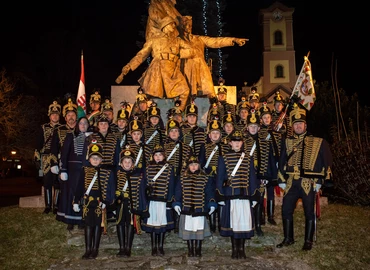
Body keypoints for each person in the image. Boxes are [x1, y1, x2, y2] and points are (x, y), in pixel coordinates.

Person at [276, 103, 332, 251]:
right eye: (296, 124)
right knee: (286, 209)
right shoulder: (287, 142)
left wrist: (320, 181)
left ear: (305, 125)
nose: (298, 127)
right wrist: (281, 179)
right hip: (291, 182)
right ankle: (288, 238)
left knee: (309, 211)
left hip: (308, 182)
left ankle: (308, 241)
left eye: (301, 124)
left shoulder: (317, 142)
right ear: (292, 126)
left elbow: (324, 161)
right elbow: (281, 161)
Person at [116, 16, 192, 111]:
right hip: (157, 68)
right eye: (171, 23)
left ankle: (178, 113)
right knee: (146, 94)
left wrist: (179, 55)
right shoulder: (154, 40)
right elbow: (141, 55)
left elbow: (190, 49)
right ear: (165, 25)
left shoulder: (177, 40)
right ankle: (136, 114)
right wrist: (129, 66)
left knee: (185, 90)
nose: (174, 26)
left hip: (172, 69)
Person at [180, 16, 248, 98]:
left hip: (200, 66)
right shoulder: (178, 40)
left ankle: (212, 99)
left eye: (190, 25)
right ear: (181, 26)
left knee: (208, 86)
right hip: (186, 66)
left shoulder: (199, 39)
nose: (188, 27)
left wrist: (233, 40)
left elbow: (215, 41)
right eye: (186, 25)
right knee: (186, 90)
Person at [216, 130, 259, 259]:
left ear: (242, 143)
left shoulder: (248, 158)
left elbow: (252, 178)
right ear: (230, 143)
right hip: (231, 195)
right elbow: (219, 178)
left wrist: (254, 195)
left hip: (245, 195)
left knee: (244, 223)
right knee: (234, 224)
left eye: (239, 141)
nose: (236, 143)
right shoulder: (223, 158)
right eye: (234, 141)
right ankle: (235, 249)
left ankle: (242, 248)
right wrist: (220, 195)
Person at [72, 140, 115, 259]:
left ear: (102, 160)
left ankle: (95, 249)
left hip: (99, 203)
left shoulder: (107, 172)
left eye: (98, 158)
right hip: (87, 203)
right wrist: (76, 201)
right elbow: (79, 186)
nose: (95, 160)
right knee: (87, 225)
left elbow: (111, 188)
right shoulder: (84, 170)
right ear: (89, 158)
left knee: (97, 225)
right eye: (93, 157)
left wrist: (107, 202)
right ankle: (88, 249)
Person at [173, 155, 217, 257]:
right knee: (188, 230)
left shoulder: (205, 178)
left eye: (196, 165)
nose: (193, 167)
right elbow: (178, 192)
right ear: (188, 166)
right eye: (191, 165)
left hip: (199, 208)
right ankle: (190, 250)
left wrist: (211, 204)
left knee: (198, 230)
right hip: (187, 208)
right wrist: (176, 203)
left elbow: (209, 193)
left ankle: (198, 249)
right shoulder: (182, 178)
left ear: (199, 166)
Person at [141, 144, 176, 256]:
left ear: (164, 156)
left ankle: (160, 246)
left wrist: (169, 200)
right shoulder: (147, 168)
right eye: (156, 155)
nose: (158, 157)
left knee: (161, 225)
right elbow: (144, 184)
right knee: (152, 225)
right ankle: (153, 247)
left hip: (163, 201)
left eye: (160, 155)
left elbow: (171, 185)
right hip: (151, 201)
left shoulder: (169, 168)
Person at [59, 116, 92, 230]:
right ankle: (70, 219)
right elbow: (64, 153)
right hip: (72, 170)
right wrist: (63, 169)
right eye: (81, 123)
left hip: (86, 170)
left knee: (84, 194)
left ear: (88, 125)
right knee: (71, 193)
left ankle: (82, 219)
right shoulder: (71, 136)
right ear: (78, 125)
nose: (83, 125)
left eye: (85, 123)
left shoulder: (92, 138)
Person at [115, 146, 148, 257]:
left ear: (133, 163)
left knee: (130, 224)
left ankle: (128, 248)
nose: (127, 164)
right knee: (120, 224)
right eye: (125, 161)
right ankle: (121, 247)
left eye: (129, 162)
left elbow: (141, 190)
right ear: (121, 163)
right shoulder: (117, 174)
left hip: (131, 203)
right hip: (120, 203)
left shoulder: (138, 174)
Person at [50, 98, 78, 215]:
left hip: (77, 164)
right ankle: (62, 209)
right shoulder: (59, 130)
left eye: (73, 115)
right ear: (65, 118)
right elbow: (54, 148)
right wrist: (54, 163)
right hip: (64, 164)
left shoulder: (81, 128)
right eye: (68, 115)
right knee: (64, 188)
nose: (71, 117)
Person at [34, 101, 62, 214]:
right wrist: (37, 157)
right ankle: (48, 206)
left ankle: (56, 206)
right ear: (49, 115)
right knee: (47, 183)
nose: (54, 116)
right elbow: (38, 143)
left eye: (56, 114)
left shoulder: (62, 128)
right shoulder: (43, 127)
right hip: (45, 158)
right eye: (53, 114)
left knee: (58, 183)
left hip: (58, 158)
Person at [199, 119, 224, 233]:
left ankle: (221, 222)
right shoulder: (204, 147)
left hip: (220, 176)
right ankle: (212, 223)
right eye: (213, 133)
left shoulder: (225, 147)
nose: (215, 135)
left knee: (221, 197)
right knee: (210, 197)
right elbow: (201, 162)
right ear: (209, 135)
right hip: (208, 176)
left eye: (217, 133)